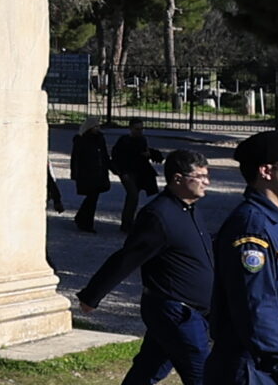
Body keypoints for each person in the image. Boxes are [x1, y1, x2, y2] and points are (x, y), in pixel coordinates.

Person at [80, 148, 217, 385]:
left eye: (207, 176)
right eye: (200, 177)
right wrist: (92, 296)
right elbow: (127, 258)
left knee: (148, 369)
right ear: (178, 178)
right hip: (176, 312)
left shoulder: (190, 210)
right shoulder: (158, 215)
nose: (207, 182)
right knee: (203, 376)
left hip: (190, 312)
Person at [207, 130, 278, 385]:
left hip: (267, 367)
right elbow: (257, 309)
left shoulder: (275, 222)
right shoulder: (252, 229)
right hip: (252, 371)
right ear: (266, 171)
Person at [114, 119, 160, 234]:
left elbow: (144, 153)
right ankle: (126, 224)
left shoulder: (142, 140)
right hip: (127, 172)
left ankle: (129, 222)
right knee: (132, 195)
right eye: (137, 129)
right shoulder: (124, 141)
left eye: (141, 129)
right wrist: (122, 172)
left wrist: (149, 155)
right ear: (130, 128)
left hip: (138, 172)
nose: (140, 131)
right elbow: (117, 157)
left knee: (133, 197)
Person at [72, 117, 114, 234]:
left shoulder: (100, 138)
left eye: (98, 126)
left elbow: (104, 155)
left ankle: (82, 219)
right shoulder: (81, 140)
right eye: (95, 127)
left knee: (92, 198)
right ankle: (85, 222)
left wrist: (112, 168)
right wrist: (75, 173)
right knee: (92, 198)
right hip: (87, 173)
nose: (97, 129)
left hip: (98, 173)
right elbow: (76, 158)